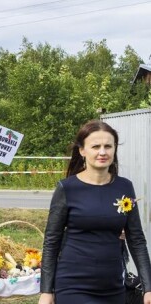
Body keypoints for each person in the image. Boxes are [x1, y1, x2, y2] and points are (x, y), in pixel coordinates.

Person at [39, 120, 151, 304]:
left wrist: (148, 287)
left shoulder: (125, 187)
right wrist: (46, 291)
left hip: (113, 286)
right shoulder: (67, 188)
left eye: (108, 146)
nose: (102, 152)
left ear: (115, 149)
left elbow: (137, 239)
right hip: (73, 285)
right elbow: (52, 241)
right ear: (82, 150)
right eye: (95, 146)